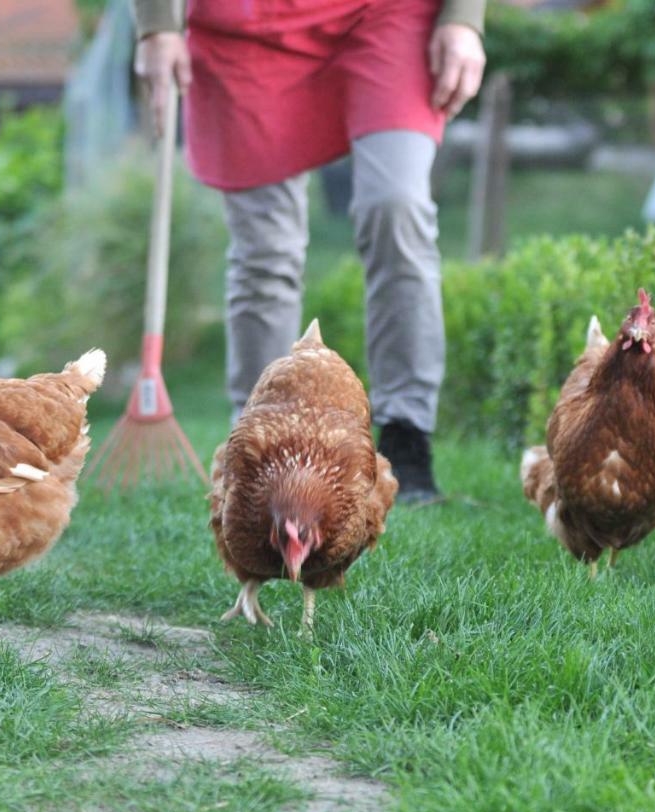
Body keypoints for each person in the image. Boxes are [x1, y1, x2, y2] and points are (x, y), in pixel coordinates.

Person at [130, 0, 487, 503]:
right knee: (264, 251)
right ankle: (261, 448)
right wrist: (156, 26)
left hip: (385, 16)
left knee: (396, 206)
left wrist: (463, 17)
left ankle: (406, 438)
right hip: (245, 29)